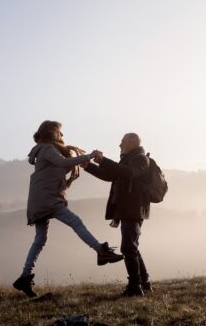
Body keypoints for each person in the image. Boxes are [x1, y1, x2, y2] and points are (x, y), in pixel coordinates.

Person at [13, 120, 123, 298]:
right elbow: (62, 163)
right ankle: (101, 251)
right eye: (60, 132)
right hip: (47, 199)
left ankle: (25, 276)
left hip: (41, 199)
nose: (62, 135)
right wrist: (89, 156)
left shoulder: (44, 150)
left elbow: (57, 169)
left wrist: (75, 165)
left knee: (40, 239)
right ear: (52, 132)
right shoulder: (47, 149)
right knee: (75, 222)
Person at [86, 132, 153, 297]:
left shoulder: (140, 159)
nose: (120, 145)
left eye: (122, 142)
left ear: (132, 143)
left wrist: (103, 160)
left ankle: (135, 287)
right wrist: (87, 166)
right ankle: (144, 283)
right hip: (128, 208)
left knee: (128, 247)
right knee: (132, 247)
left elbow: (129, 173)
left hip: (133, 209)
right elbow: (109, 175)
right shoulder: (129, 159)